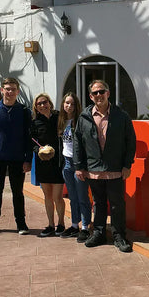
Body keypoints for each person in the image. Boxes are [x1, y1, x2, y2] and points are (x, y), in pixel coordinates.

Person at [73, 80, 136, 252]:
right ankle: (99, 233)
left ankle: (119, 236)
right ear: (90, 96)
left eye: (102, 91)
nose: (99, 95)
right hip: (93, 169)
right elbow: (78, 142)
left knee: (117, 204)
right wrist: (79, 166)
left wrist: (127, 164)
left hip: (115, 169)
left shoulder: (121, 116)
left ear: (108, 93)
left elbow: (130, 141)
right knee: (98, 203)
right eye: (95, 93)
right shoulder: (84, 116)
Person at [0, 77, 32, 236]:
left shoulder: (24, 112)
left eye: (13, 89)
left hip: (18, 159)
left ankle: (21, 222)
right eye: (7, 89)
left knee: (18, 193)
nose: (10, 92)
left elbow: (28, 137)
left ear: (17, 92)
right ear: (2, 90)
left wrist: (28, 159)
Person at [30, 93, 67, 237]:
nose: (42, 105)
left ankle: (61, 224)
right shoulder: (35, 123)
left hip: (57, 162)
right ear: (36, 107)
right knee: (47, 196)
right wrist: (38, 149)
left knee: (58, 196)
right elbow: (32, 141)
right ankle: (51, 224)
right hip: (43, 163)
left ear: (49, 103)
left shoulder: (59, 118)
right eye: (39, 104)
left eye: (44, 102)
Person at [57, 92, 92, 241]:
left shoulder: (80, 121)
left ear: (76, 105)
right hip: (67, 163)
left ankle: (85, 227)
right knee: (72, 197)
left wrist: (82, 166)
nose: (69, 106)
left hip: (79, 164)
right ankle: (74, 225)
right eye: (66, 103)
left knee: (82, 196)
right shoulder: (61, 121)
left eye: (71, 103)